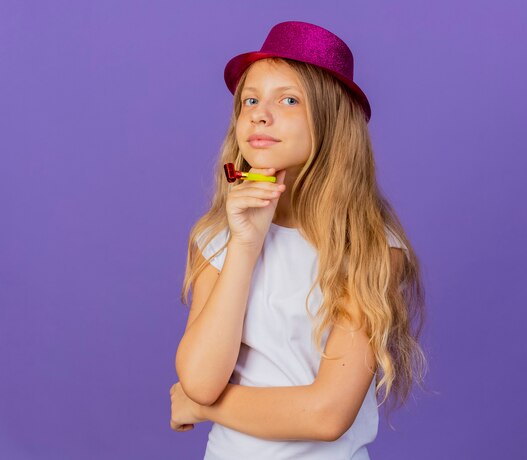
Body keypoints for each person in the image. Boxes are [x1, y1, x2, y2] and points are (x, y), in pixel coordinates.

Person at [170, 21, 429, 459]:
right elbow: (200, 377)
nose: (259, 113)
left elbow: (326, 415)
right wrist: (245, 245)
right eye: (250, 99)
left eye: (288, 99)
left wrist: (203, 407)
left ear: (332, 122)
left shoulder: (371, 249)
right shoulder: (218, 237)